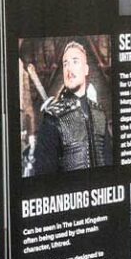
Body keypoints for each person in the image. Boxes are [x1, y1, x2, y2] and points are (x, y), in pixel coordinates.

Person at [31, 40, 112, 174]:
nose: (69, 68)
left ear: (86, 69)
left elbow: (108, 162)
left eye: (75, 61)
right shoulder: (52, 118)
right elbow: (44, 175)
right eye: (65, 64)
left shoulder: (99, 114)